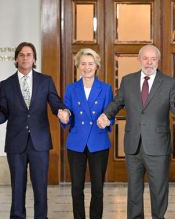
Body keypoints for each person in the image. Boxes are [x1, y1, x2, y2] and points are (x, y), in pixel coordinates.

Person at [97, 45, 175, 219]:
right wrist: (106, 115)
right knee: (134, 191)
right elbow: (117, 102)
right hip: (133, 146)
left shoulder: (169, 83)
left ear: (158, 61)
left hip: (158, 147)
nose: (149, 62)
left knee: (159, 190)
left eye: (153, 59)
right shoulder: (127, 81)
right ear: (139, 59)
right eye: (145, 58)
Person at [0, 42, 68, 219]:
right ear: (16, 58)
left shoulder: (46, 80)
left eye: (29, 55)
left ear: (34, 59)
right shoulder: (6, 84)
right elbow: (3, 114)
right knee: (17, 186)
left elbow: (55, 102)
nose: (25, 58)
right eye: (22, 55)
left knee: (40, 187)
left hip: (39, 143)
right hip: (15, 144)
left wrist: (62, 112)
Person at [60, 48, 114, 219]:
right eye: (83, 64)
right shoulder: (71, 89)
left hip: (98, 143)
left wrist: (107, 120)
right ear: (78, 66)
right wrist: (64, 115)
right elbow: (67, 111)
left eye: (90, 64)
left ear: (96, 66)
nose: (87, 67)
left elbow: (110, 113)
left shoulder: (105, 88)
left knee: (98, 188)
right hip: (76, 143)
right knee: (77, 188)